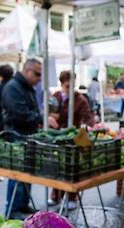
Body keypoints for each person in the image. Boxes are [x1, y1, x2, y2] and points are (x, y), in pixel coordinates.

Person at [1, 58, 56, 218]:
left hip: (27, 136)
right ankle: (13, 210)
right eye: (37, 74)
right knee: (18, 174)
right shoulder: (13, 88)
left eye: (41, 75)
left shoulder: (27, 87)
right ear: (26, 71)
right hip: (17, 136)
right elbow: (21, 115)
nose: (39, 78)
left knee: (27, 173)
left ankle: (23, 205)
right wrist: (42, 118)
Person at [49, 70, 95, 210]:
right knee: (56, 166)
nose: (70, 88)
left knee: (71, 167)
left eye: (72, 85)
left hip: (74, 137)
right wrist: (50, 119)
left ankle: (71, 196)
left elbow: (88, 117)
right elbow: (49, 111)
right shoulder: (56, 96)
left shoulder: (80, 99)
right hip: (57, 136)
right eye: (67, 85)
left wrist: (90, 125)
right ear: (62, 84)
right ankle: (55, 195)